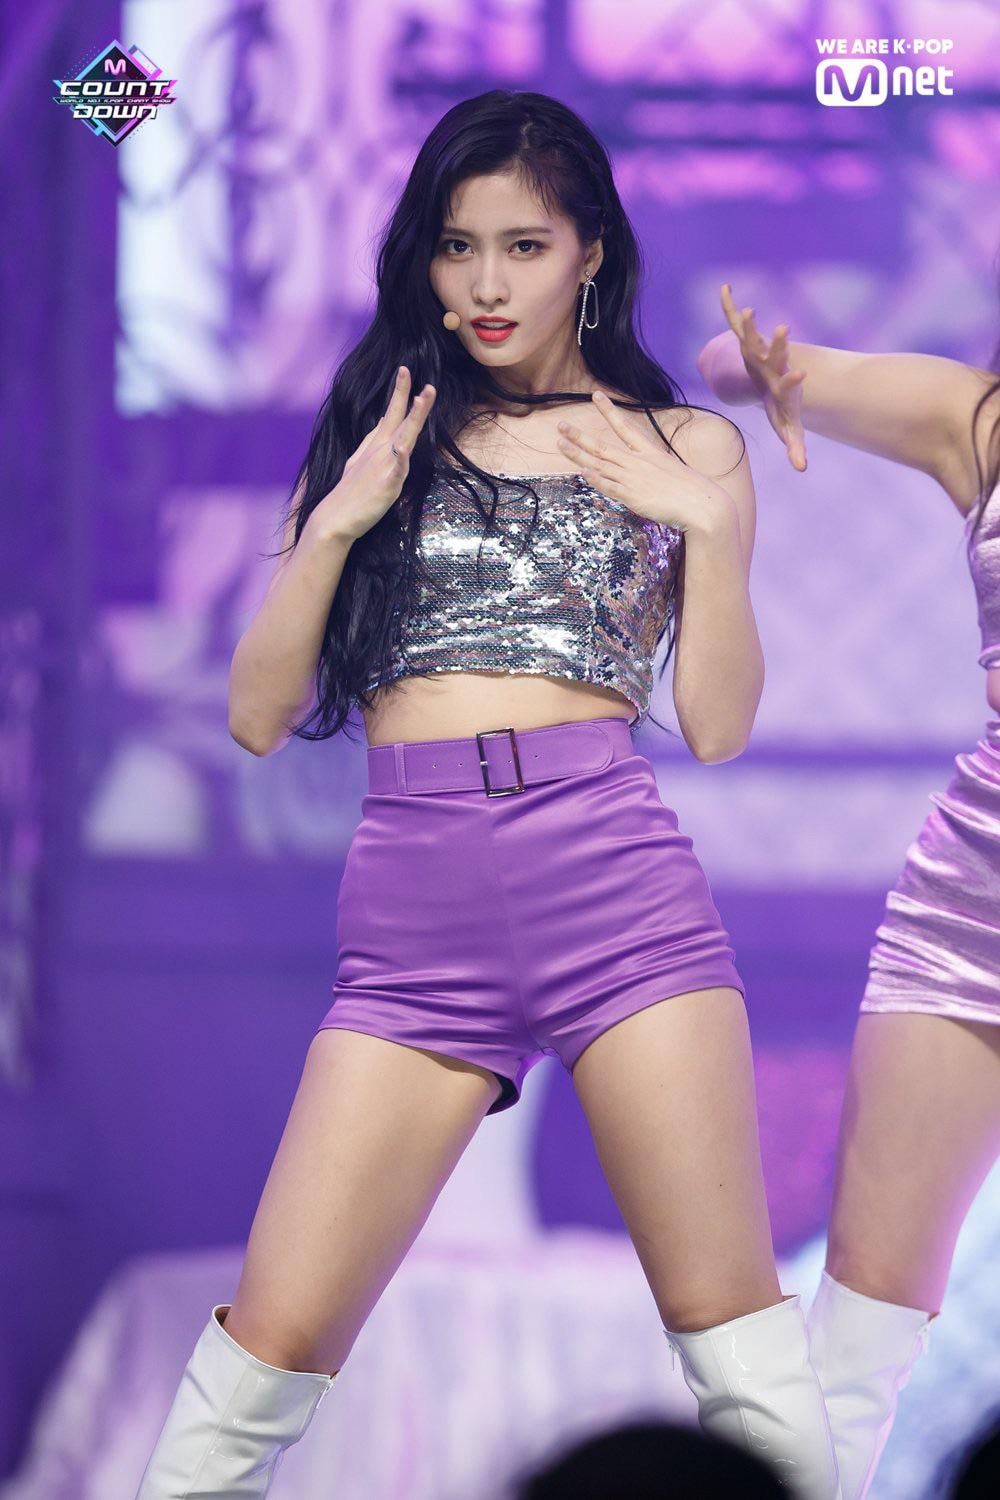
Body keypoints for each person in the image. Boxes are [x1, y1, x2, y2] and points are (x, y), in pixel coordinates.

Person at [136, 92, 842, 1499]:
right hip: (414, 918)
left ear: (591, 253)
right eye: (458, 248)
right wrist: (338, 521)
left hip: (613, 894)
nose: (487, 284)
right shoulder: (382, 431)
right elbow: (256, 716)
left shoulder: (686, 445)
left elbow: (716, 727)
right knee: (265, 1354)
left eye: (525, 246)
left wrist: (705, 523)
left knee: (734, 1340)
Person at [697, 283, 1000, 1500]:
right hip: (973, 906)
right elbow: (726, 363)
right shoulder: (977, 419)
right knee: (859, 1340)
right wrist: (765, 372)